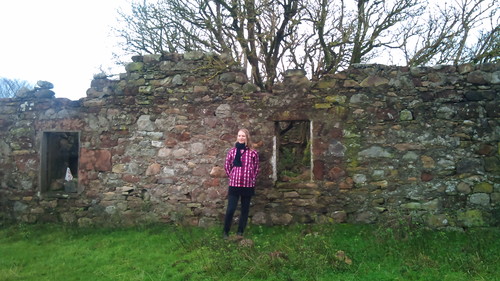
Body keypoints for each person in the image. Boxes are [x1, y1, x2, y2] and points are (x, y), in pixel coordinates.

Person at [223, 129, 260, 239]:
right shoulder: (232, 152)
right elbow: (227, 166)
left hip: (248, 185)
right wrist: (233, 175)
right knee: (230, 209)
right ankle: (225, 232)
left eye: (243, 136)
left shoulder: (253, 153)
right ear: (237, 137)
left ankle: (240, 232)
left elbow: (256, 168)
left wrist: (251, 177)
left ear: (247, 137)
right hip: (234, 184)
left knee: (245, 209)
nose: (241, 138)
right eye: (239, 135)